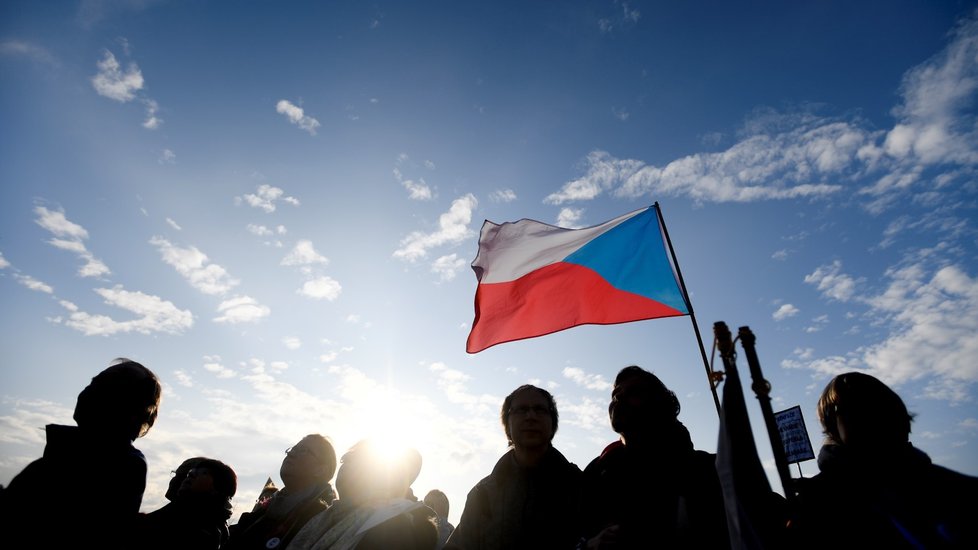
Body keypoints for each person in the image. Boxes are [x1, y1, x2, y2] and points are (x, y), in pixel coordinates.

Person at [787, 371, 978, 548]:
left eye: (881, 404)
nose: (873, 415)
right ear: (832, 424)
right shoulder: (817, 503)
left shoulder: (956, 490)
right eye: (854, 407)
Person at [0, 358, 162, 549]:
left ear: (132, 411)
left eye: (108, 388)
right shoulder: (62, 453)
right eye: (93, 382)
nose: (88, 392)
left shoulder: (121, 463)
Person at [580, 366, 729, 549]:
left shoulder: (711, 470)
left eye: (633, 392)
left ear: (661, 404)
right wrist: (589, 545)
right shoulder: (596, 472)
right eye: (615, 395)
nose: (618, 398)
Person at [446, 384, 582, 550]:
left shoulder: (581, 486)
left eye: (539, 409)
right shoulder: (483, 494)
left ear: (552, 422)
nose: (531, 416)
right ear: (507, 425)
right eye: (521, 410)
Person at [288, 439, 437, 550]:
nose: (345, 464)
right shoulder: (323, 517)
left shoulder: (392, 526)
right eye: (346, 459)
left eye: (354, 459)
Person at [226, 434, 338, 550]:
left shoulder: (323, 519)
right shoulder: (263, 511)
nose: (291, 453)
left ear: (321, 469)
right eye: (293, 449)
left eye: (304, 450)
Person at [139, 457, 238, 549]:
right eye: (190, 473)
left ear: (218, 488)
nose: (190, 475)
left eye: (204, 473)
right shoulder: (178, 510)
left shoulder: (204, 530)